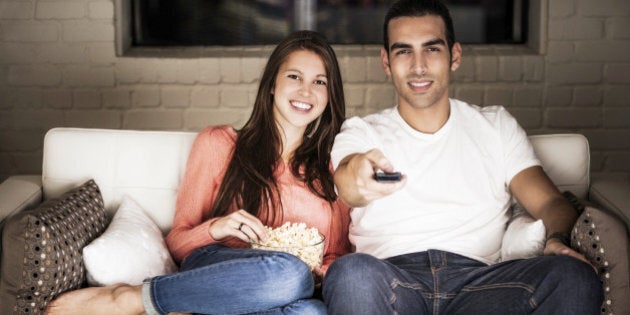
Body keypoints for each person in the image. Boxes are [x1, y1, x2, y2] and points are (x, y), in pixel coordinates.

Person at [322, 0, 603, 314]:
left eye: (431, 49)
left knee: (573, 276)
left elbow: (550, 202)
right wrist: (359, 178)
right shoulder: (362, 131)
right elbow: (347, 181)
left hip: (483, 284)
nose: (418, 66)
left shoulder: (495, 125)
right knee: (350, 273)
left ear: (454, 55)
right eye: (403, 51)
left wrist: (556, 239)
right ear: (386, 61)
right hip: (390, 282)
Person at [45, 30, 351, 315]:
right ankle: (133, 297)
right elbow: (177, 244)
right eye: (294, 76)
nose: (306, 91)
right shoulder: (220, 144)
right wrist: (217, 228)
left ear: (329, 95)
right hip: (218, 263)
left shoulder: (335, 166)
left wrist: (319, 272)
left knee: (312, 310)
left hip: (283, 290)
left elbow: (336, 256)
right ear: (272, 84)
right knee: (290, 274)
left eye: (319, 82)